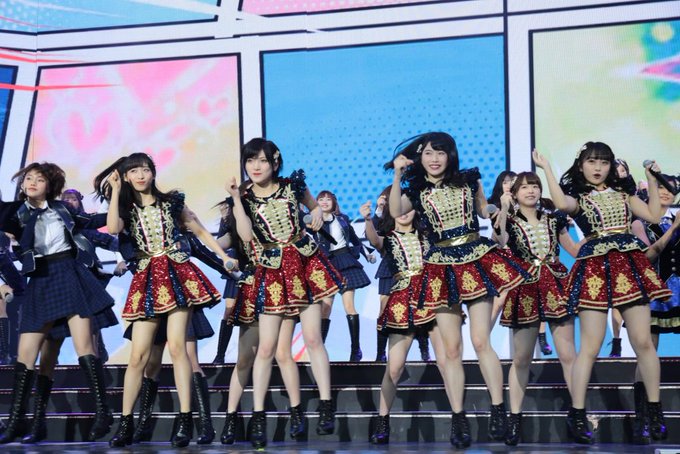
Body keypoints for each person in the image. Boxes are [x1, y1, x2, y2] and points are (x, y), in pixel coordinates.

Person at [388, 132, 529, 446]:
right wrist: (397, 175)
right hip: (440, 264)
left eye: (440, 153)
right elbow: (396, 211)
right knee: (451, 350)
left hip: (475, 258)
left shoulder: (468, 180)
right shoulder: (416, 189)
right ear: (420, 157)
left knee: (480, 340)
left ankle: (498, 409)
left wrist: (499, 209)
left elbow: (482, 210)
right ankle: (458, 417)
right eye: (428, 153)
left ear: (450, 156)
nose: (434, 159)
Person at [94, 153, 236, 447]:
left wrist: (224, 257)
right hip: (147, 278)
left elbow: (198, 229)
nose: (141, 175)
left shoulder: (171, 202)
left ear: (153, 173)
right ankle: (126, 423)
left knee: (178, 348)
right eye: (134, 171)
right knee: (138, 355)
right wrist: (116, 190)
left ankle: (185, 421)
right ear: (126, 176)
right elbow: (113, 228)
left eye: (145, 169)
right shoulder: (126, 208)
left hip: (176, 274)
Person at [533, 143, 671, 444]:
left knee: (643, 341)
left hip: (629, 265)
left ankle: (654, 409)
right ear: (581, 164)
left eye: (604, 162)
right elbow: (561, 203)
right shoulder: (578, 197)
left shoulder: (623, 194)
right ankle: (577, 412)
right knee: (591, 346)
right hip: (594, 267)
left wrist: (652, 178)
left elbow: (653, 214)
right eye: (592, 161)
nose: (598, 168)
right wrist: (546, 170)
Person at [226, 138, 343, 448]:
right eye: (250, 161)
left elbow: (314, 207)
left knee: (313, 338)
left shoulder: (292, 186)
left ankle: (326, 406)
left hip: (303, 263)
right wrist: (236, 199)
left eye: (262, 160)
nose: (255, 166)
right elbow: (245, 236)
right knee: (266, 348)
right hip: (272, 270)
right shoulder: (245, 198)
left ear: (275, 162)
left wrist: (315, 213)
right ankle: (259, 416)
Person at [0, 162, 117, 444]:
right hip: (40, 279)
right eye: (28, 178)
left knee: (84, 347)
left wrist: (118, 195)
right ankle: (18, 421)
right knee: (27, 354)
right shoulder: (15, 212)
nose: (31, 182)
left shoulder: (62, 209)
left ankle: (103, 412)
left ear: (50, 185)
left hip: (68, 273)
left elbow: (102, 223)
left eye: (39, 179)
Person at [493, 171, 579, 445]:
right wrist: (503, 209)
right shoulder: (509, 219)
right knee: (521, 359)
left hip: (556, 284)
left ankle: (578, 413)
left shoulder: (554, 219)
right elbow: (499, 241)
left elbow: (574, 250)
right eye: (524, 187)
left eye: (535, 186)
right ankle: (514, 418)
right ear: (515, 193)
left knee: (569, 355)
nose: (530, 191)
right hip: (525, 287)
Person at [316, 190, 373, 361]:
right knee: (325, 309)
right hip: (327, 264)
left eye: (328, 199)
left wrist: (367, 254)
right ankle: (319, 351)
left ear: (334, 202)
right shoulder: (314, 221)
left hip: (345, 261)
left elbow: (354, 239)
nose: (325, 202)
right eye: (321, 199)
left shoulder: (342, 219)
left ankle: (356, 350)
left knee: (349, 306)